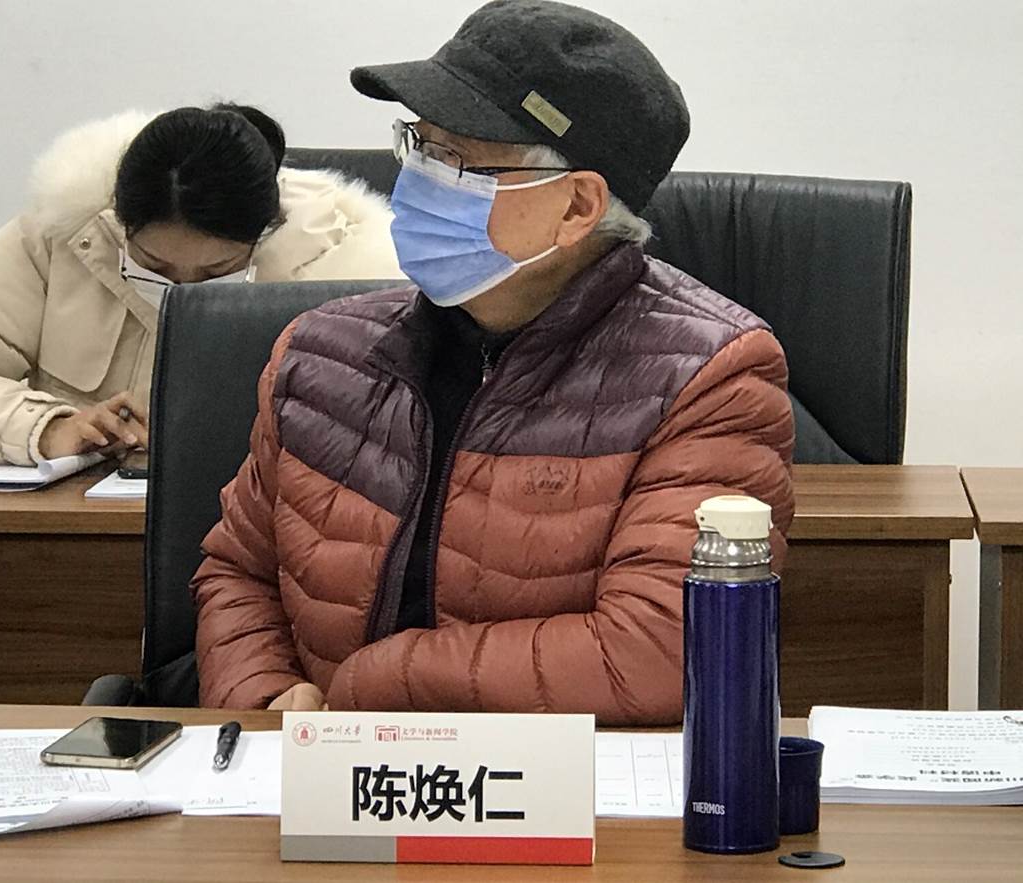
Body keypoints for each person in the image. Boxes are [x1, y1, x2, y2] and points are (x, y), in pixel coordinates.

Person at [192, 0, 795, 724]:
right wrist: (265, 703)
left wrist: (369, 693)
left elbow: (657, 649)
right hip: (316, 770)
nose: (416, 181)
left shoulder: (706, 375)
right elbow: (239, 571)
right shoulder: (320, 352)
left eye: (455, 161)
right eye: (419, 145)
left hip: (553, 788)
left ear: (576, 207)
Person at [0, 103, 401, 466]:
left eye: (215, 273)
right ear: (119, 222)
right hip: (78, 528)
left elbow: (389, 436)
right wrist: (47, 428)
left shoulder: (348, 268)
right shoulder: (63, 236)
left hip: (263, 535)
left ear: (264, 236)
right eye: (153, 265)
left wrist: (211, 442)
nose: (179, 290)